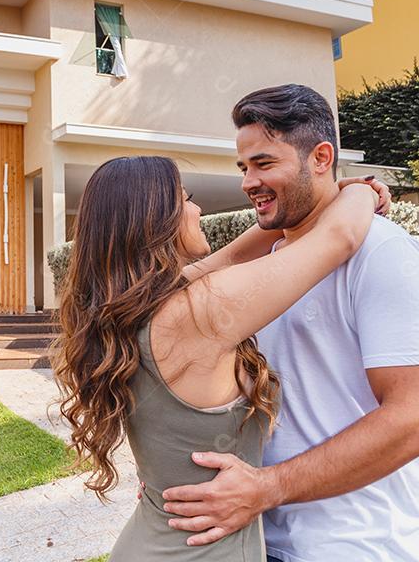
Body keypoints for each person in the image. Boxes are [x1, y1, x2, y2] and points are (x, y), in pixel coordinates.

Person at [52, 148, 386, 560]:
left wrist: (324, 195)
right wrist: (364, 192)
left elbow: (232, 256)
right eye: (186, 199)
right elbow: (339, 237)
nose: (197, 210)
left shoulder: (132, 308)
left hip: (152, 542)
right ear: (158, 220)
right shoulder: (196, 313)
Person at [160, 84, 419, 562]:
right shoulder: (271, 265)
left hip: (352, 545)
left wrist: (267, 487)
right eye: (244, 167)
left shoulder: (384, 254)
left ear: (321, 157)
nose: (248, 182)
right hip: (258, 535)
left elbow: (417, 419)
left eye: (264, 163)